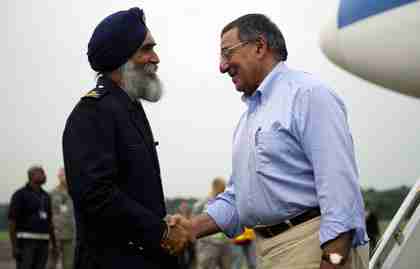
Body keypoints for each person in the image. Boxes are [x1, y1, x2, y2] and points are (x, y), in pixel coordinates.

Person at [171, 14, 369, 269]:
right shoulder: (248, 120)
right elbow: (238, 198)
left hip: (313, 247)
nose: (221, 66)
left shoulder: (308, 96)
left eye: (227, 53)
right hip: (269, 252)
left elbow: (340, 193)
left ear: (260, 47)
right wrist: (191, 228)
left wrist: (334, 260)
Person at [62, 7, 190, 269]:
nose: (156, 58)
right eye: (146, 49)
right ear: (122, 58)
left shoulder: (128, 108)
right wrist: (161, 231)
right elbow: (96, 197)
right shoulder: (93, 111)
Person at [8, 165, 58, 269]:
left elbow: (50, 222)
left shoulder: (46, 196)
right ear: (31, 176)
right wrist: (14, 246)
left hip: (43, 242)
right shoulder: (20, 194)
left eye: (44, 173)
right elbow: (12, 221)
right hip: (26, 242)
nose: (45, 175)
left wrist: (54, 245)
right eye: (41, 173)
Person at [192, 177, 233, 269]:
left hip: (224, 242)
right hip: (208, 243)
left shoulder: (225, 202)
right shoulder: (204, 203)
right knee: (206, 266)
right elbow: (194, 221)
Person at [47, 167, 75, 269]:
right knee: (51, 263)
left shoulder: (75, 193)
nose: (65, 178)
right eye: (63, 175)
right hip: (55, 233)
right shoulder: (51, 194)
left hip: (70, 233)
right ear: (59, 177)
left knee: (69, 264)